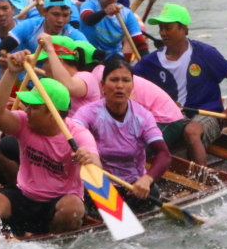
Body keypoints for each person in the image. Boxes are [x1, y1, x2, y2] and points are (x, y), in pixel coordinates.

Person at [0, 56, 100, 236]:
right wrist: (12, 72)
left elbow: (97, 167)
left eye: (34, 107)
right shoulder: (23, 123)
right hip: (25, 195)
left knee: (74, 208)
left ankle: (51, 240)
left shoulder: (78, 134)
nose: (27, 111)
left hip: (59, 202)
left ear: (53, 115)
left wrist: (89, 160)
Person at [134, 3, 227, 164]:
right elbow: (129, 81)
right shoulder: (151, 61)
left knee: (191, 131)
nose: (163, 33)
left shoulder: (205, 53)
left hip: (207, 113)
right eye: (161, 28)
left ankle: (203, 177)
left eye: (168, 28)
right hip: (171, 116)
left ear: (184, 29)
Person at [72, 56, 172, 213]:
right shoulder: (88, 112)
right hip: (99, 184)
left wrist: (147, 179)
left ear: (132, 86)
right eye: (114, 80)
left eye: (126, 80)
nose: (120, 86)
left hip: (134, 187)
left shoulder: (143, 116)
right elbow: (72, 131)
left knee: (150, 192)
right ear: (103, 85)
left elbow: (163, 154)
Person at [0, 0, 88, 56]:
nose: (60, 20)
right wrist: (6, 57)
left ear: (70, 14)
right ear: (44, 11)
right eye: (56, 14)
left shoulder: (73, 34)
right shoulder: (30, 26)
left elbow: (92, 57)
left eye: (65, 15)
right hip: (26, 79)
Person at [79, 0, 148, 58]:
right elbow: (88, 19)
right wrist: (105, 12)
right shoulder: (89, 5)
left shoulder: (127, 14)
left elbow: (139, 42)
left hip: (112, 56)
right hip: (88, 53)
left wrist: (147, 62)